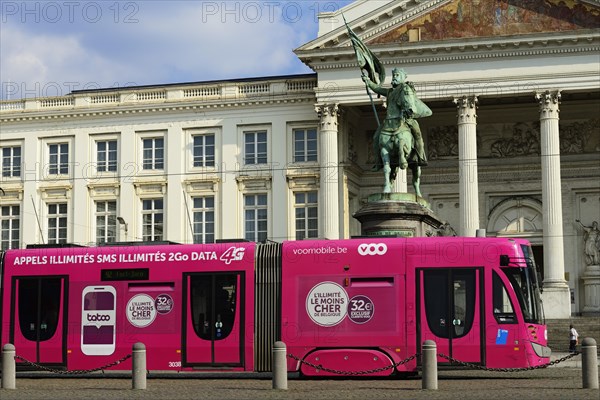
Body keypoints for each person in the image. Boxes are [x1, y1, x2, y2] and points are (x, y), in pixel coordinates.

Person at [362, 68, 431, 171]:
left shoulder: (406, 88)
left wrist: (409, 109)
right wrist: (368, 81)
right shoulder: (389, 92)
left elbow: (411, 101)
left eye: (397, 75)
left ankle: (420, 157)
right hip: (389, 121)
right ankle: (378, 162)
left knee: (417, 134)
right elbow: (377, 89)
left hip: (406, 118)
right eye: (394, 75)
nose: (394, 77)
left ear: (403, 78)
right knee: (376, 137)